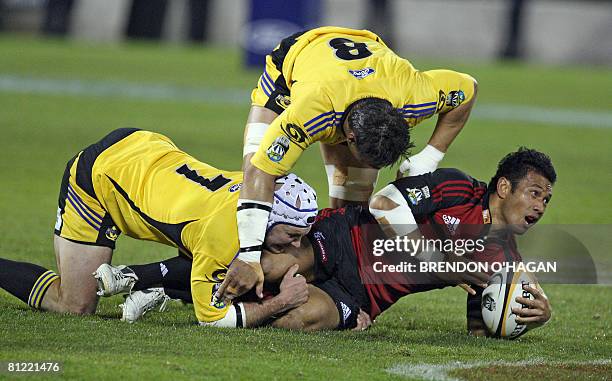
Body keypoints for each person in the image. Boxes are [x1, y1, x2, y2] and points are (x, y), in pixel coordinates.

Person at [106, 148, 553, 334]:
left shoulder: (503, 256)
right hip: (344, 238)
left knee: (307, 316)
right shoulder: (456, 188)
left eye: (546, 201)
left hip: (361, 295)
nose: (539, 207)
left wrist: (536, 313)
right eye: (534, 193)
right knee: (279, 266)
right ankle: (143, 277)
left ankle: (188, 294)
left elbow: (489, 320)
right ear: (503, 188)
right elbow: (384, 204)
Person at [221, 26, 479, 306]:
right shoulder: (311, 110)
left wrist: (428, 157)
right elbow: (262, 172)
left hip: (363, 63)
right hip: (295, 65)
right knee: (254, 178)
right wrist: (249, 255)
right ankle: (221, 267)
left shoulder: (413, 95)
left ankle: (324, 284)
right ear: (349, 139)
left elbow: (468, 88)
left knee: (351, 209)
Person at [0, 128, 318, 328]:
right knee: (75, 305)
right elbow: (214, 318)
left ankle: (137, 281)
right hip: (98, 180)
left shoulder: (253, 184)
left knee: (226, 265)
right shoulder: (221, 236)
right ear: (266, 217)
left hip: (144, 147)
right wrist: (281, 303)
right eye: (291, 235)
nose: (294, 246)